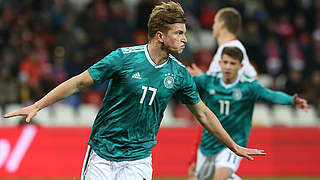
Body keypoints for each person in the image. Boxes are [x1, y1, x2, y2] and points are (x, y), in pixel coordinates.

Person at [4, 2, 265, 180]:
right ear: (160, 36)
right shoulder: (123, 58)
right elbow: (78, 82)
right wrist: (38, 105)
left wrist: (232, 146)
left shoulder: (180, 74)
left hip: (139, 157)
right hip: (103, 152)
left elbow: (204, 114)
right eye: (179, 33)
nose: (185, 39)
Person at [190, 46, 308, 180]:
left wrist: (291, 100)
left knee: (219, 178)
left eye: (232, 63)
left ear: (240, 66)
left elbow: (271, 95)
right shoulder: (209, 80)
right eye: (225, 62)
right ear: (219, 63)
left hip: (234, 144)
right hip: (208, 143)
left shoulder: (248, 86)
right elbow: (185, 84)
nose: (228, 67)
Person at [188, 7, 258, 79]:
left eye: (215, 22)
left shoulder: (232, 48)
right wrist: (202, 77)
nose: (213, 27)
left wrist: (201, 78)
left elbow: (226, 86)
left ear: (222, 24)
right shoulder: (231, 46)